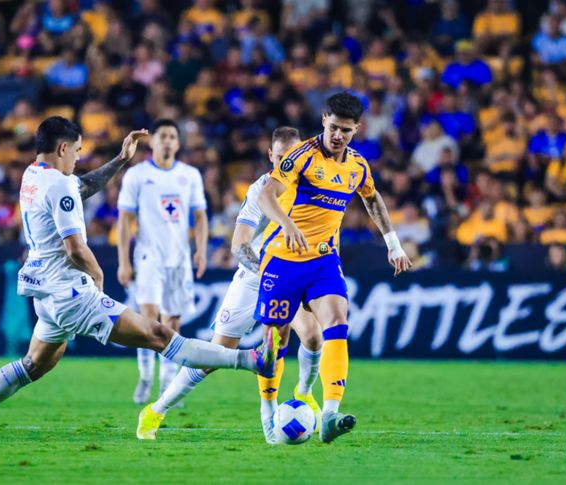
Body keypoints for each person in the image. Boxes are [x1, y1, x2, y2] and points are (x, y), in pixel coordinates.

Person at [0, 117, 279, 445]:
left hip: (47, 293)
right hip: (71, 292)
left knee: (33, 365)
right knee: (159, 335)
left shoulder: (33, 175)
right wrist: (97, 274)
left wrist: (119, 160)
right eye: (77, 150)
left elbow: (83, 185)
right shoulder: (59, 184)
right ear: (62, 148)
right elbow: (75, 247)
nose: (78, 158)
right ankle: (251, 360)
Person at [136, 127, 325, 443]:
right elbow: (239, 244)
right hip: (255, 278)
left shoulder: (315, 187)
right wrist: (269, 275)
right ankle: (156, 409)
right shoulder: (261, 190)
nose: (286, 163)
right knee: (215, 354)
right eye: (280, 157)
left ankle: (299, 396)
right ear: (271, 156)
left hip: (294, 276)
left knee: (311, 336)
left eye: (292, 156)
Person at [253, 92, 411, 443]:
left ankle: (329, 415)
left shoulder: (357, 166)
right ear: (324, 120)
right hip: (282, 258)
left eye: (346, 130)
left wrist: (393, 244)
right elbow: (266, 195)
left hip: (323, 260)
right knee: (275, 341)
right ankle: (268, 408)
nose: (338, 135)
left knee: (337, 321)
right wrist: (287, 224)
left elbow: (372, 199)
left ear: (357, 129)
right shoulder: (301, 156)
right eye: (334, 127)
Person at [116, 119, 210, 405]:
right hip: (149, 257)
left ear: (178, 143)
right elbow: (124, 219)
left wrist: (201, 251)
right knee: (148, 319)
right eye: (162, 136)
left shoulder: (190, 175)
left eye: (172, 136)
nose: (167, 140)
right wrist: (123, 261)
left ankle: (167, 384)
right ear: (153, 141)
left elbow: (200, 216)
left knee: (172, 321)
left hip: (178, 258)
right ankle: (146, 376)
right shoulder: (137, 175)